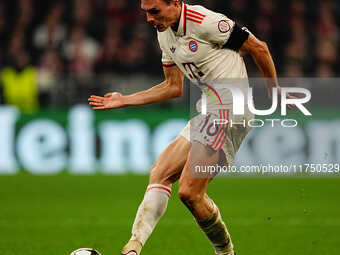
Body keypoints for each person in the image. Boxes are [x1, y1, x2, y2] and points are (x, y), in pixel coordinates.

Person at [88, 0, 294, 254]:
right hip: (208, 110)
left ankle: (226, 253)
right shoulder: (165, 34)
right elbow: (173, 87)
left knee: (189, 192)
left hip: (230, 109)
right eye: (145, 12)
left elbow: (258, 47)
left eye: (155, 11)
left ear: (175, 3)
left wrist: (275, 92)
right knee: (160, 172)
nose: (149, 19)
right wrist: (125, 99)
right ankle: (133, 246)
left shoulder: (205, 22)